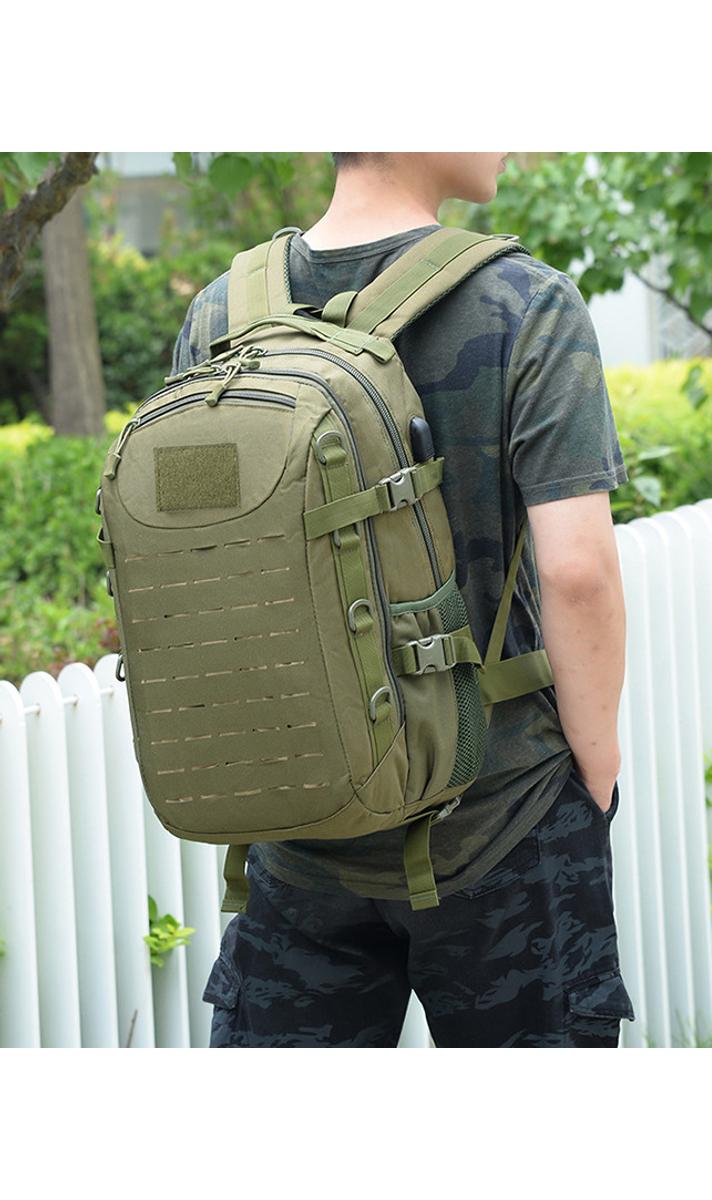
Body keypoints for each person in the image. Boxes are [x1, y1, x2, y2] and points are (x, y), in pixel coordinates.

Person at [171, 152, 636, 1047]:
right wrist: (597, 773)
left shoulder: (224, 313)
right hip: (500, 813)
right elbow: (578, 571)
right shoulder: (526, 303)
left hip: (299, 820)